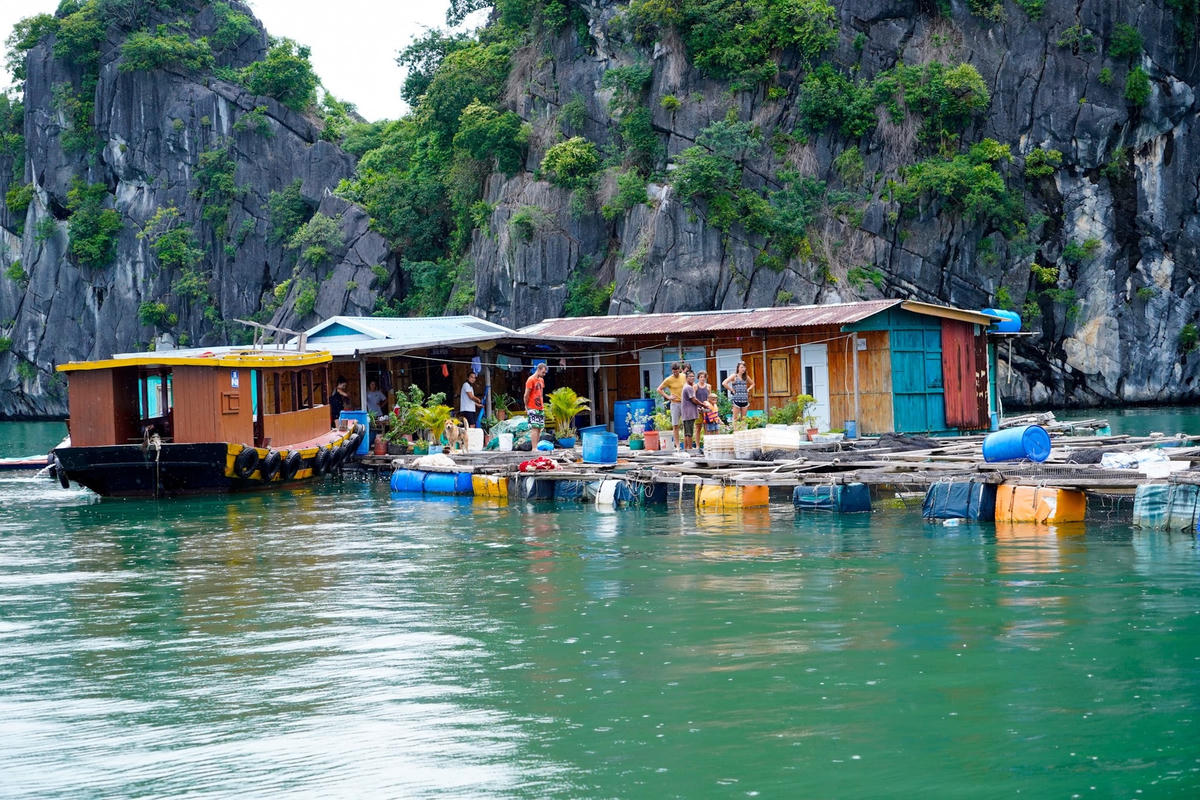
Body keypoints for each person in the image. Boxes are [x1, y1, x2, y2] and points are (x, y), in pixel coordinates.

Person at [656, 362, 686, 449]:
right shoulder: (669, 379)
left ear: (679, 370)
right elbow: (659, 389)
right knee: (675, 425)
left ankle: (685, 444)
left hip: (684, 403)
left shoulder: (683, 376)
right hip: (675, 403)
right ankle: (677, 445)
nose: (675, 373)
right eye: (674, 372)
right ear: (672, 371)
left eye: (677, 371)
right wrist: (668, 397)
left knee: (685, 424)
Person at [524, 362, 548, 446]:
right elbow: (526, 395)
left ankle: (536, 446)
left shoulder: (541, 380)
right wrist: (526, 406)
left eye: (545, 373)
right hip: (532, 406)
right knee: (534, 427)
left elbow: (540, 393)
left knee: (539, 428)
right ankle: (534, 448)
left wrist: (542, 405)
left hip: (540, 407)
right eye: (543, 372)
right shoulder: (531, 379)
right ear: (538, 369)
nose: (544, 374)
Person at [694, 370, 718, 442]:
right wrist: (698, 407)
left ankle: (706, 445)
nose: (702, 378)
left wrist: (711, 407)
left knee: (707, 428)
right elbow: (694, 398)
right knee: (698, 428)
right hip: (698, 409)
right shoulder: (695, 386)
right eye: (701, 377)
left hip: (707, 409)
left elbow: (710, 398)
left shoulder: (708, 386)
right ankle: (697, 445)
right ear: (698, 378)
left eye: (704, 377)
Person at [680, 370, 701, 450]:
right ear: (686, 378)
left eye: (693, 376)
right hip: (688, 414)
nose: (692, 378)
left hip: (688, 413)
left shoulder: (688, 386)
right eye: (690, 376)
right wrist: (702, 404)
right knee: (689, 433)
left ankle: (686, 449)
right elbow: (693, 400)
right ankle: (690, 449)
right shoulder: (688, 387)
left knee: (687, 432)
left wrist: (698, 407)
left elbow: (691, 401)